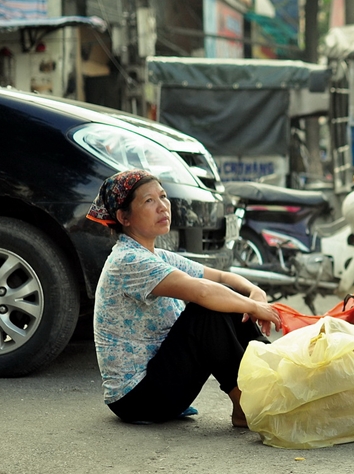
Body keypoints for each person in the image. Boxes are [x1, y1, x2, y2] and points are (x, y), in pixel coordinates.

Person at [87, 169, 281, 427]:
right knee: (209, 310)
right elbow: (202, 292)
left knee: (226, 301)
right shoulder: (128, 260)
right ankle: (244, 405)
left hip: (162, 382)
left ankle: (274, 381)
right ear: (124, 217)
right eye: (149, 201)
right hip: (137, 398)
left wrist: (255, 295)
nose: (163, 207)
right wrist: (252, 306)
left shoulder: (157, 256)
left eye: (163, 196)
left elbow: (222, 278)